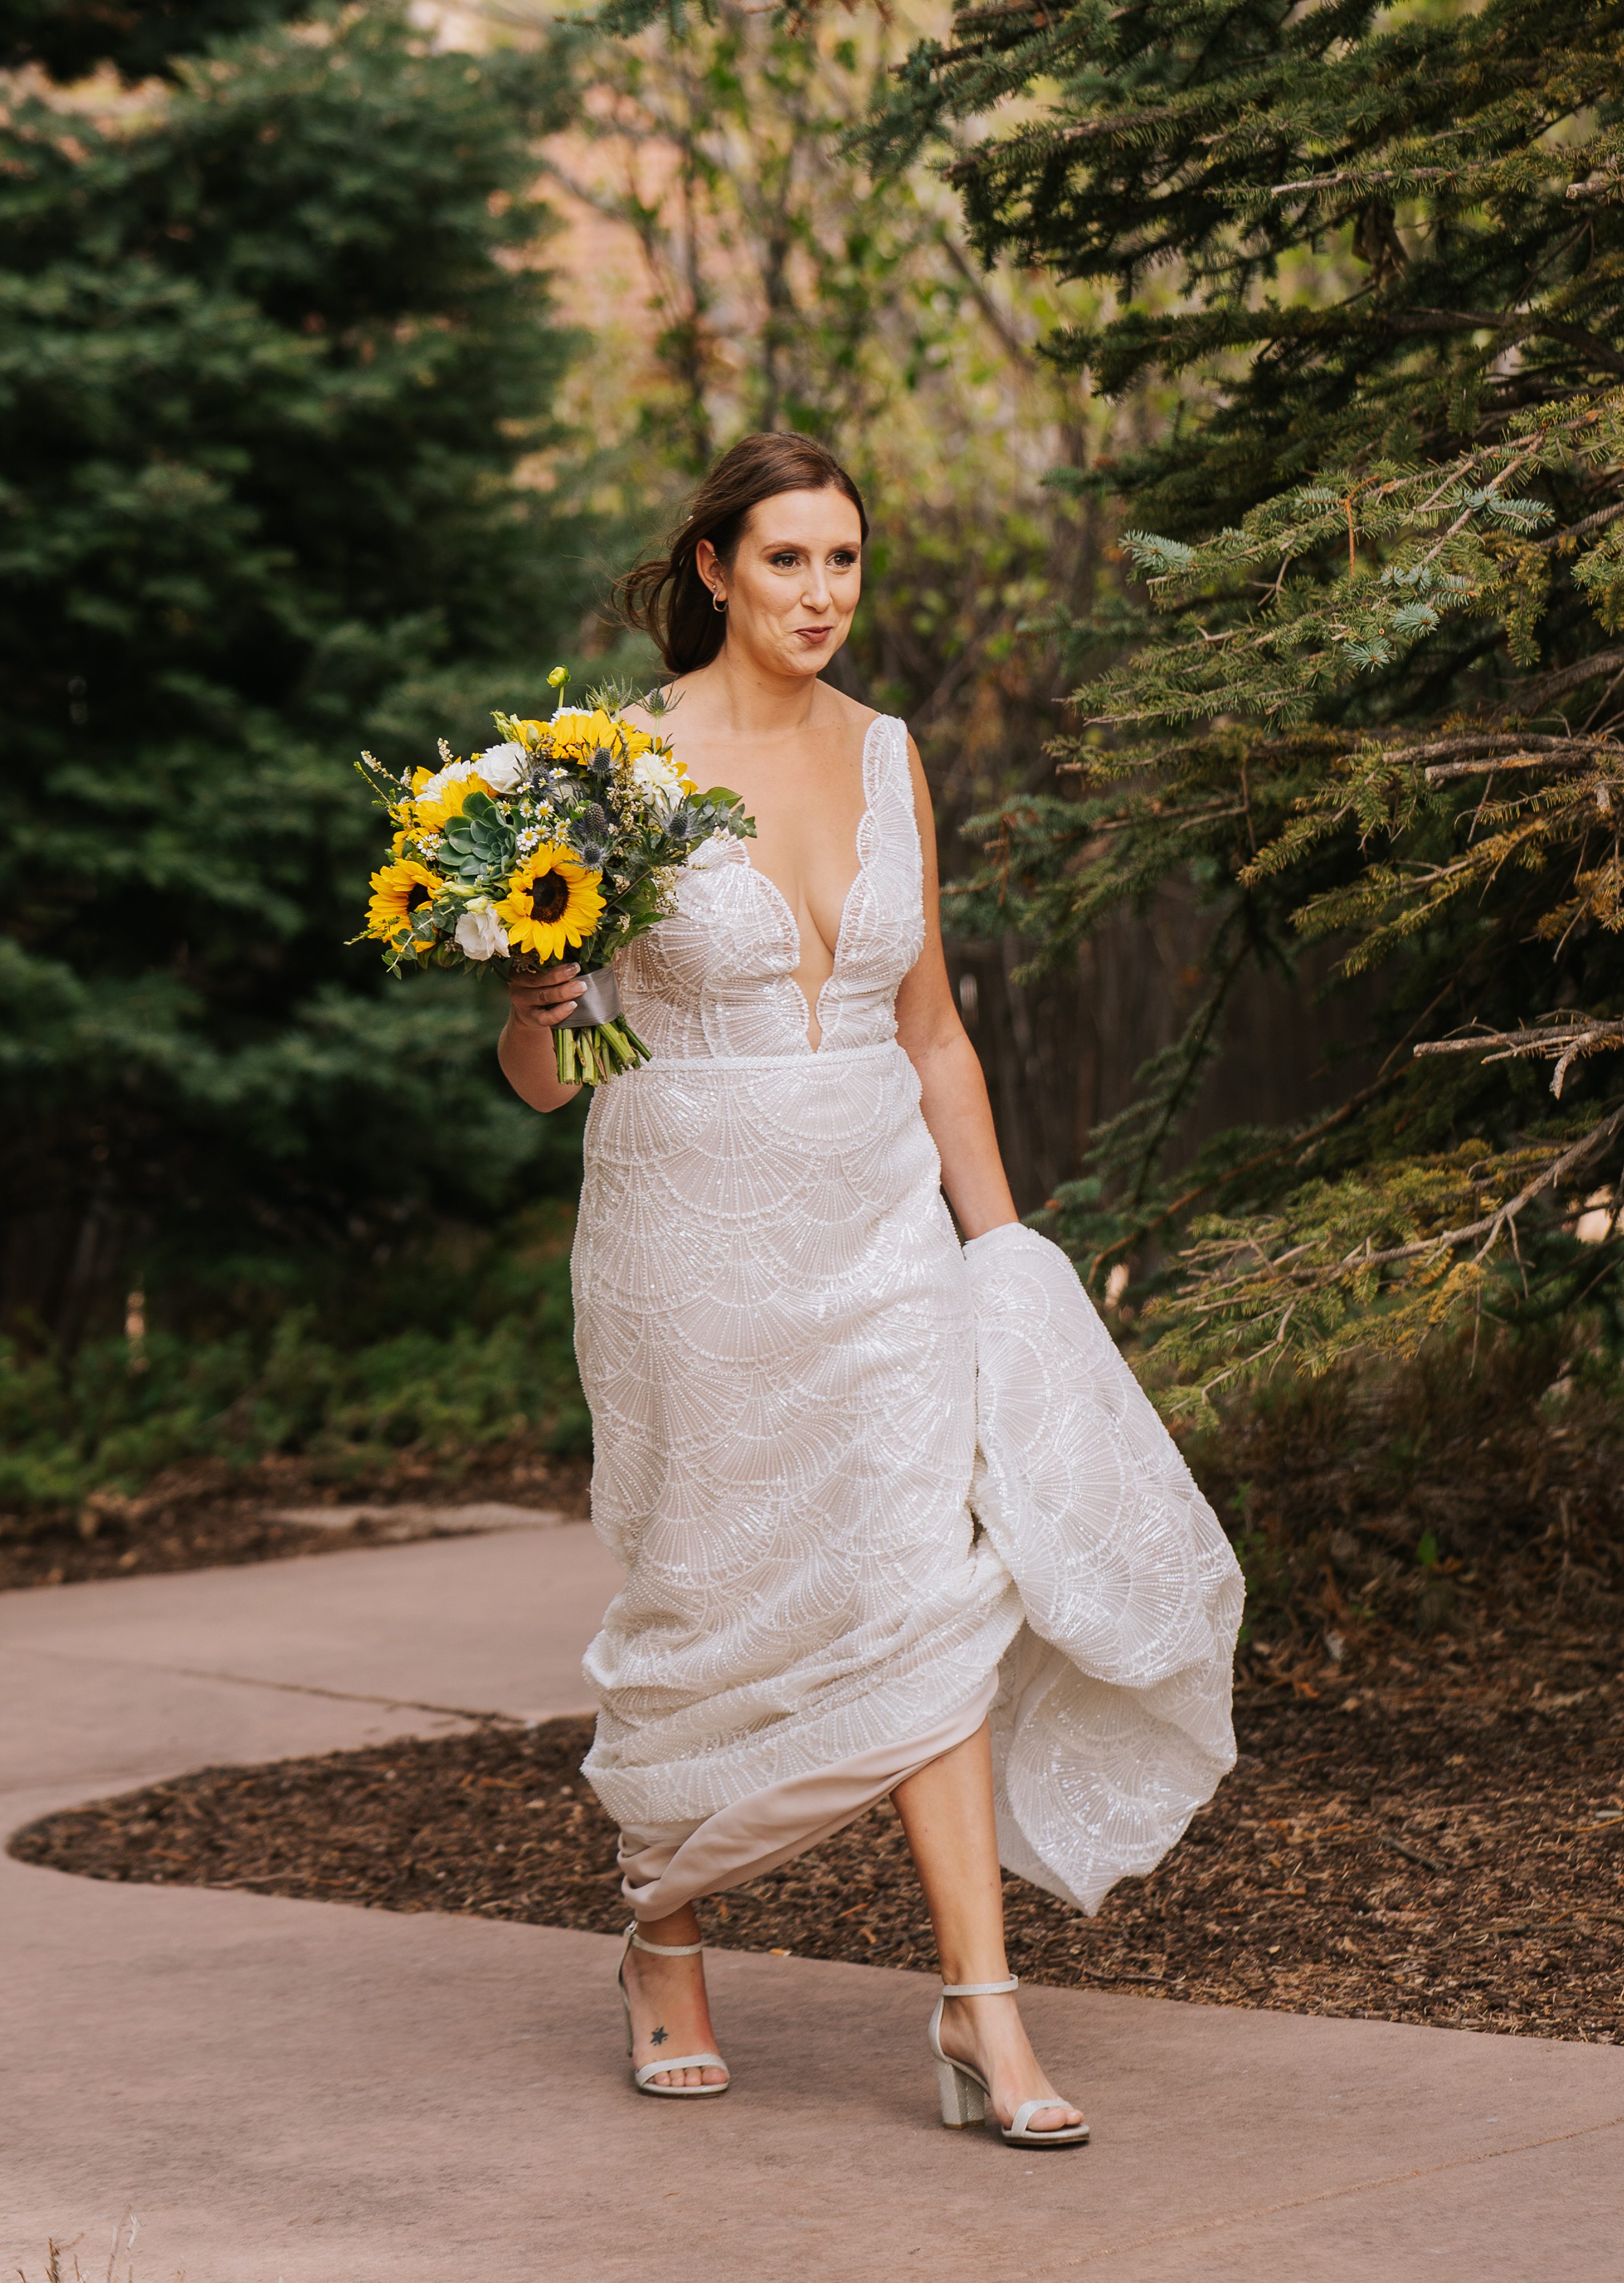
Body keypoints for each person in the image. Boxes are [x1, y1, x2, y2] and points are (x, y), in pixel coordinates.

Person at [497, 432, 1243, 2146]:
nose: (822, 595)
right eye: (787, 562)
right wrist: (542, 1005)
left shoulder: (893, 751)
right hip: (690, 1224)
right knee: (702, 1585)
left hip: (885, 1226)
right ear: (713, 571)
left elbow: (932, 1032)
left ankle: (985, 2011)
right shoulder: (613, 766)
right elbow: (568, 1070)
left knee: (926, 1590)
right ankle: (666, 1932)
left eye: (844, 562)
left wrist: (1003, 1256)